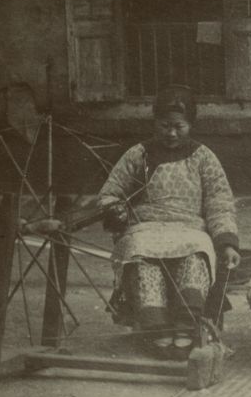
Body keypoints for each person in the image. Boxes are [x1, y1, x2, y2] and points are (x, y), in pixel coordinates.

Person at [97, 85, 241, 352]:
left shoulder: (203, 158)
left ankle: (187, 323)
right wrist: (115, 210)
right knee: (140, 253)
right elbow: (110, 192)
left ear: (191, 125)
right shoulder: (138, 155)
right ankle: (156, 326)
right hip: (146, 228)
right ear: (155, 122)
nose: (171, 133)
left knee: (197, 251)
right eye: (165, 126)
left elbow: (220, 203)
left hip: (190, 228)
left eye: (179, 126)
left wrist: (227, 243)